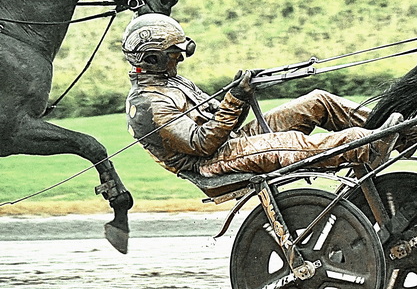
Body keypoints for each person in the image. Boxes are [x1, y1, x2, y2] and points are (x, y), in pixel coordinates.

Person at [122, 13, 399, 177]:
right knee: (288, 143)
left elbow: (224, 120)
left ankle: (403, 132)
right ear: (152, 57)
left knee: (317, 101)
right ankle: (370, 145)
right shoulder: (147, 104)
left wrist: (241, 94)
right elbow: (203, 144)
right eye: (174, 53)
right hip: (211, 162)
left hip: (229, 143)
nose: (181, 58)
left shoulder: (172, 83)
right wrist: (234, 99)